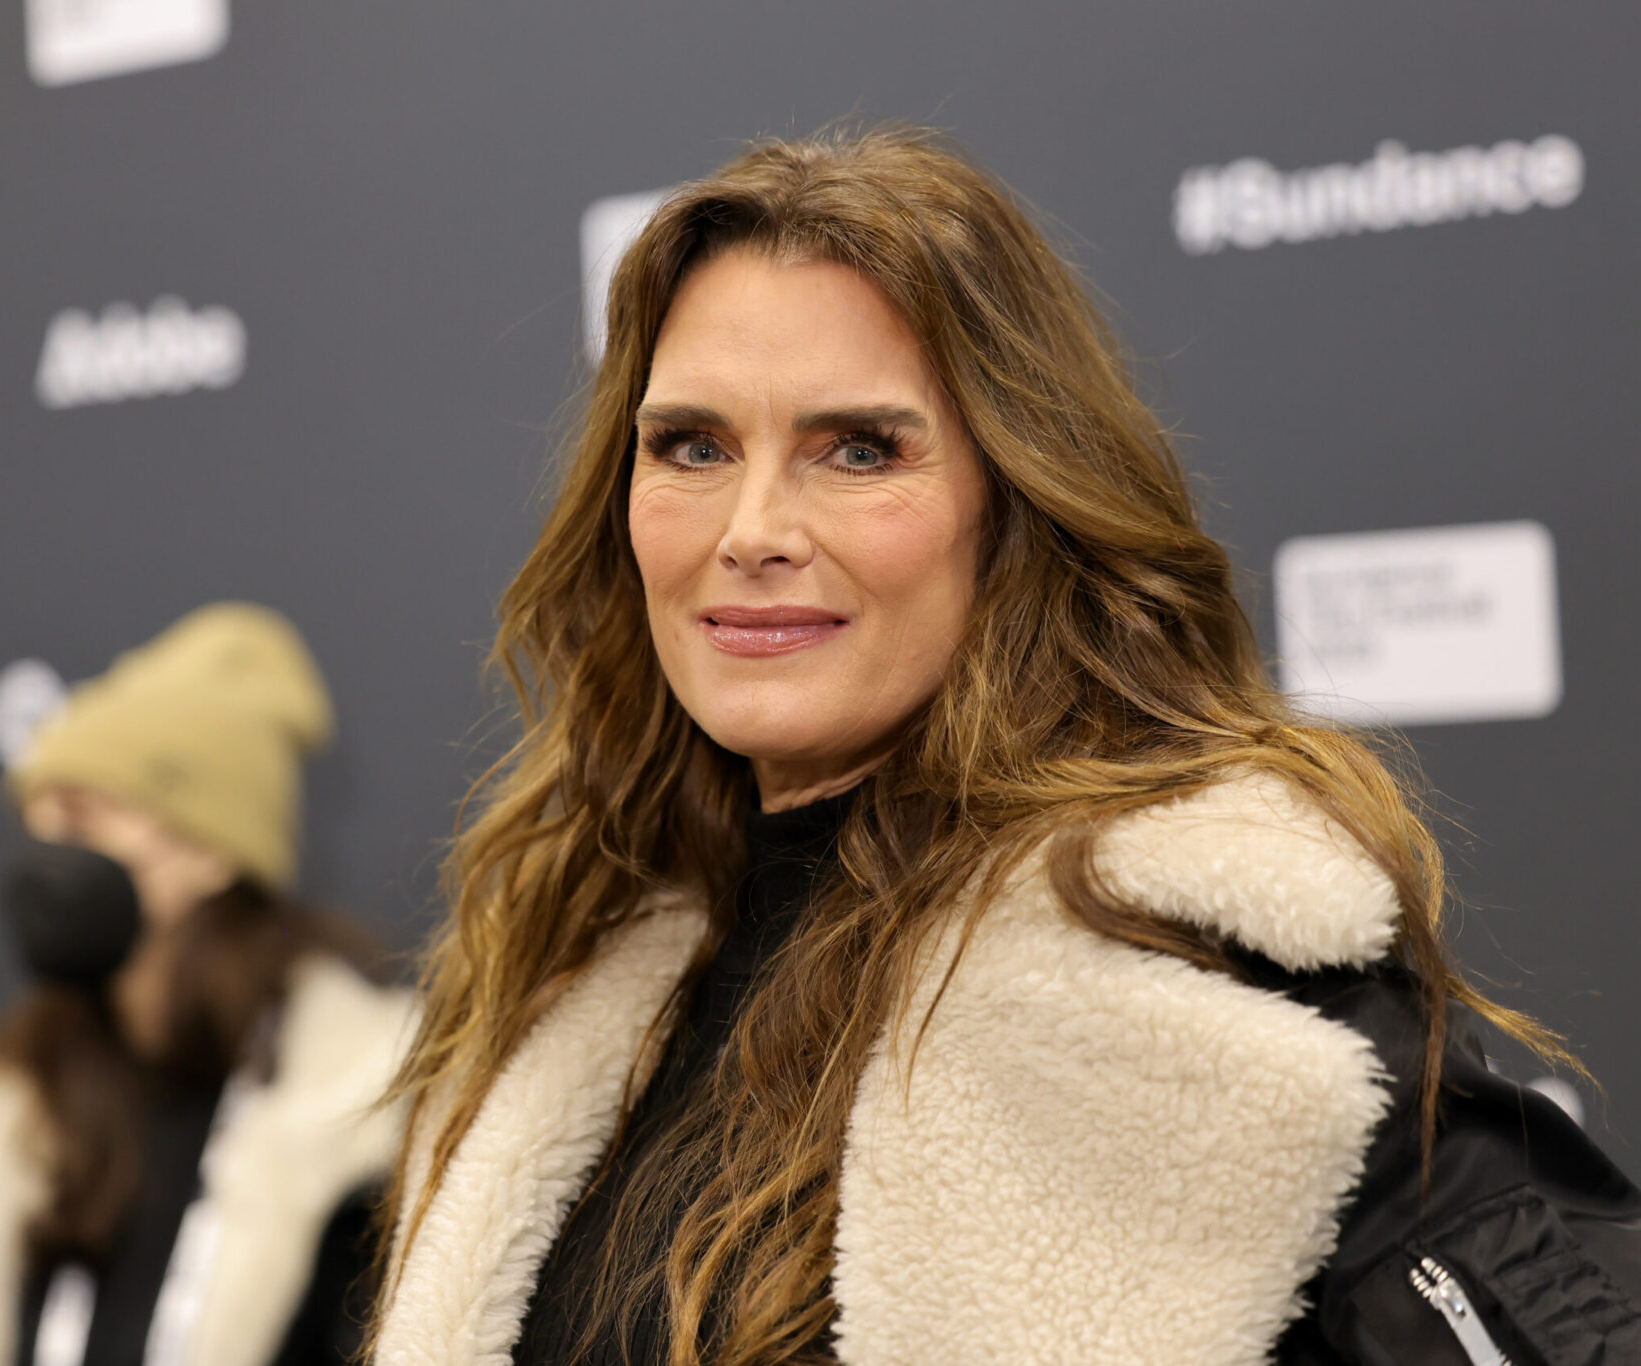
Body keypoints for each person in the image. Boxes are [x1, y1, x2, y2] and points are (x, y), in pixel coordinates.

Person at [369, 127, 1641, 1366]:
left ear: (1016, 502)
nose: (749, 528)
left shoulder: (1196, 967)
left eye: (857, 449)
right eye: (690, 446)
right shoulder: (580, 959)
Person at [0, 604, 411, 1366]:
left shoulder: (361, 1114)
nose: (48, 855)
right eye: (36, 822)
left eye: (80, 819)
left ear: (211, 851)